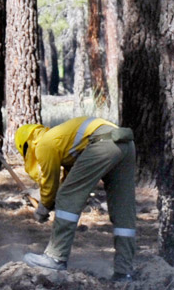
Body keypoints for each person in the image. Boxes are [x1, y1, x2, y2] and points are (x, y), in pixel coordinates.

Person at [15, 116, 137, 280]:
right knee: (123, 209)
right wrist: (49, 199)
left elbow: (51, 185)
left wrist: (43, 208)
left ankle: (55, 257)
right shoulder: (62, 139)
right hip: (125, 143)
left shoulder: (44, 144)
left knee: (67, 196)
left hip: (103, 143)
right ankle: (124, 271)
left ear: (26, 145)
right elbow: (69, 181)